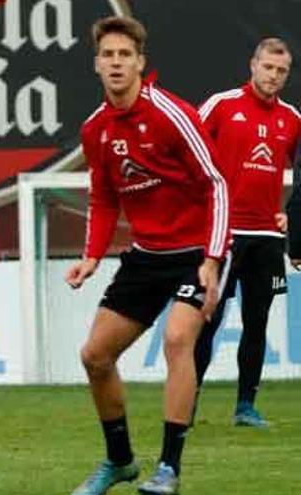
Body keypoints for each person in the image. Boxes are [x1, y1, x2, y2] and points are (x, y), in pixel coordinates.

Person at [65, 16, 229, 495]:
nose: (116, 63)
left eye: (124, 55)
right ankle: (119, 462)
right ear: (96, 65)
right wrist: (92, 255)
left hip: (197, 251)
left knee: (178, 340)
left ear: (140, 63)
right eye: (108, 55)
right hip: (146, 255)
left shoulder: (172, 115)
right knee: (95, 355)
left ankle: (169, 469)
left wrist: (213, 259)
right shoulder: (95, 129)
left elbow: (217, 184)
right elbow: (102, 198)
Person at [194, 37, 300, 428]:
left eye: (281, 71)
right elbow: (188, 151)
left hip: (267, 239)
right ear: (253, 65)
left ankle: (245, 407)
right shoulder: (221, 105)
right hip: (224, 235)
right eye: (268, 67)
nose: (273, 76)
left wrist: (292, 217)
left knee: (258, 322)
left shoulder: (292, 119)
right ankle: (185, 405)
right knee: (208, 319)